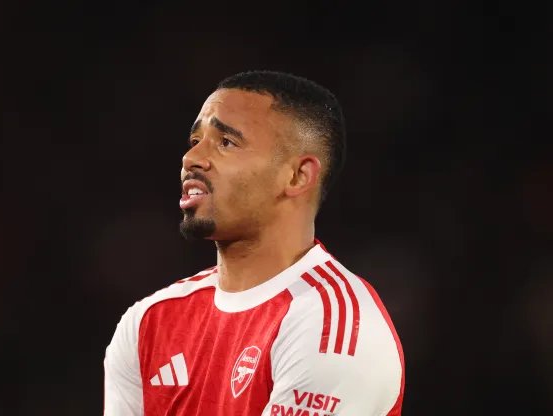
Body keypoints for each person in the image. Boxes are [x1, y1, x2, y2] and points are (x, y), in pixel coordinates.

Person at [103, 70, 405, 416]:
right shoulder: (149, 323)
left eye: (226, 142)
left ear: (297, 176)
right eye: (195, 140)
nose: (191, 159)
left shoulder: (334, 327)